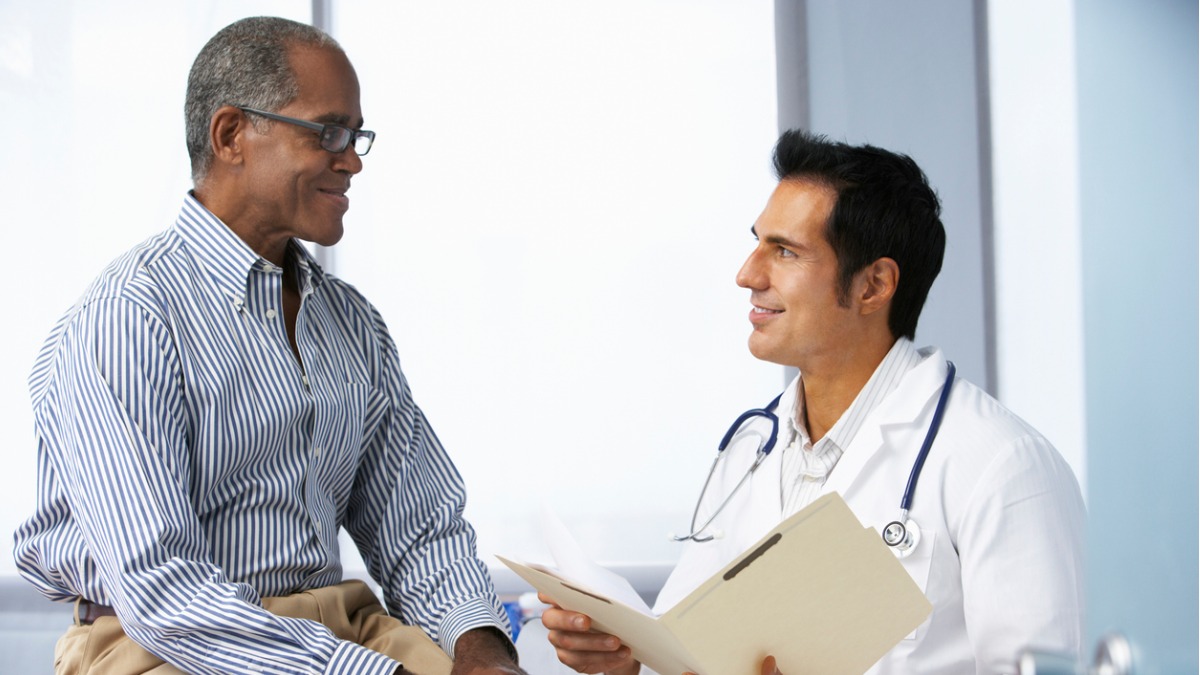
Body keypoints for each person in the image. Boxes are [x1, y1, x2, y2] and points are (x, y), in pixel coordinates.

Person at [12, 16, 523, 675]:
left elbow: (421, 531)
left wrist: (483, 652)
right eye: (329, 132)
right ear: (231, 135)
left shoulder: (351, 324)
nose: (353, 159)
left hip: (344, 627)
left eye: (356, 135)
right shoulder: (128, 319)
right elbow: (163, 592)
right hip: (164, 643)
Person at [539, 130, 1086, 675]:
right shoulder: (753, 445)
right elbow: (689, 650)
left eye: (784, 251)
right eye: (757, 243)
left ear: (874, 286)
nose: (747, 275)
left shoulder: (1001, 467)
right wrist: (626, 661)